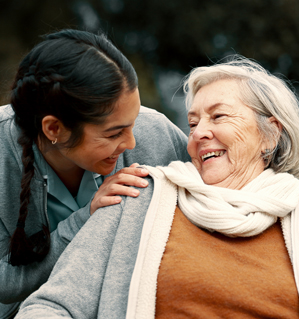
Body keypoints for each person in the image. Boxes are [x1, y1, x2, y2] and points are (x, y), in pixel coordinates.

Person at [15, 56, 299, 319]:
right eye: (192, 123)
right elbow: (52, 307)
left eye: (218, 116)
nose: (199, 133)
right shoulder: (138, 196)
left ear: (270, 135)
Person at [0, 29, 190, 319]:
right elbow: (4, 282)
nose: (131, 143)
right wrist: (86, 217)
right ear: (53, 129)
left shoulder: (157, 135)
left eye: (133, 123)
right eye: (114, 133)